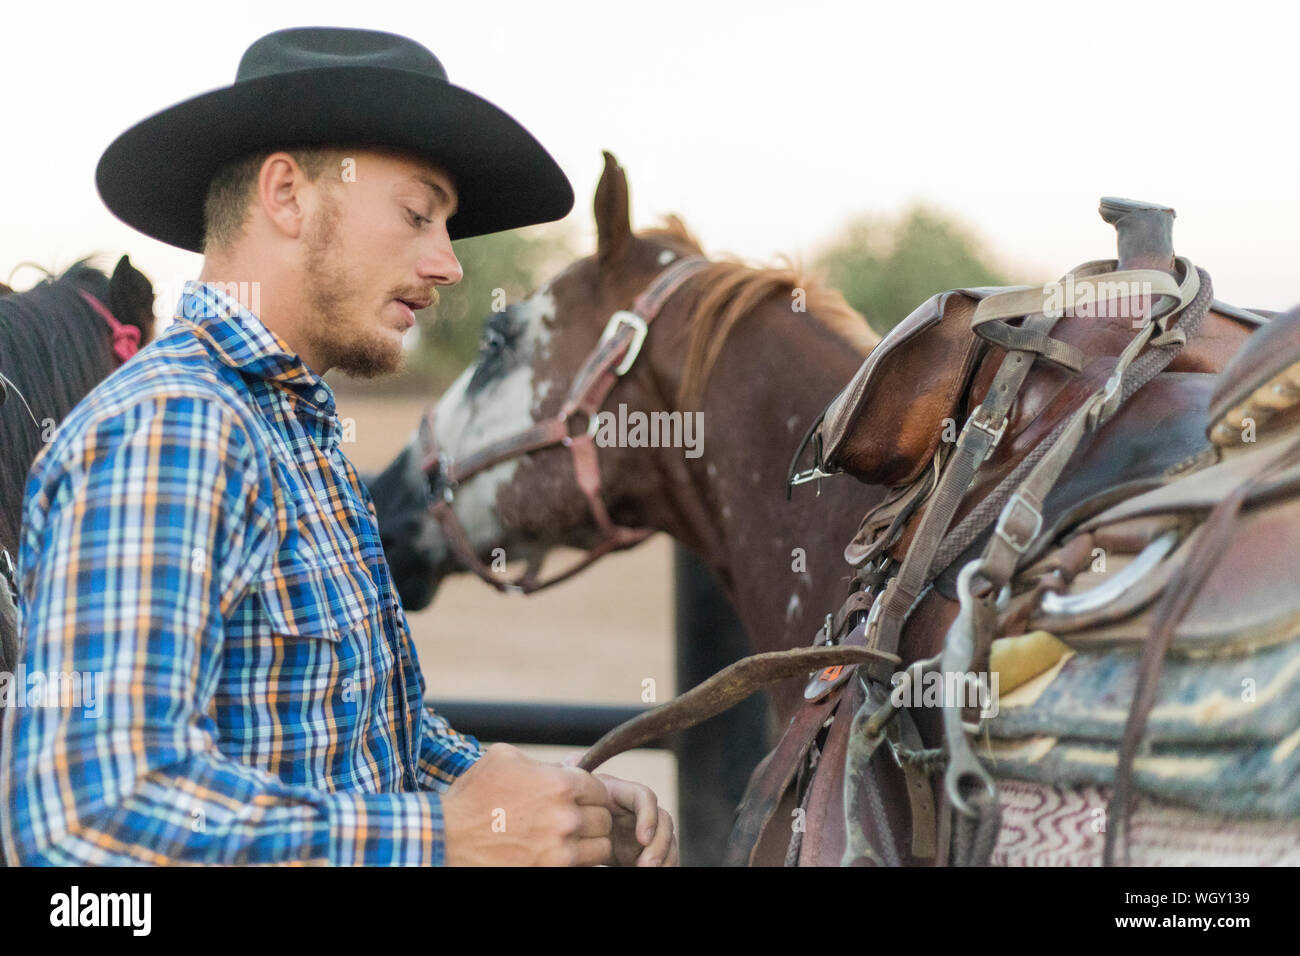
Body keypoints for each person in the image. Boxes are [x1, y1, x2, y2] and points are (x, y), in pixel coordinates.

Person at [0, 26, 677, 866]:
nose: (448, 264)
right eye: (417, 214)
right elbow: (88, 824)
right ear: (287, 195)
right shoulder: (172, 428)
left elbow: (361, 738)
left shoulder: (295, 431)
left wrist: (553, 805)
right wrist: (446, 836)